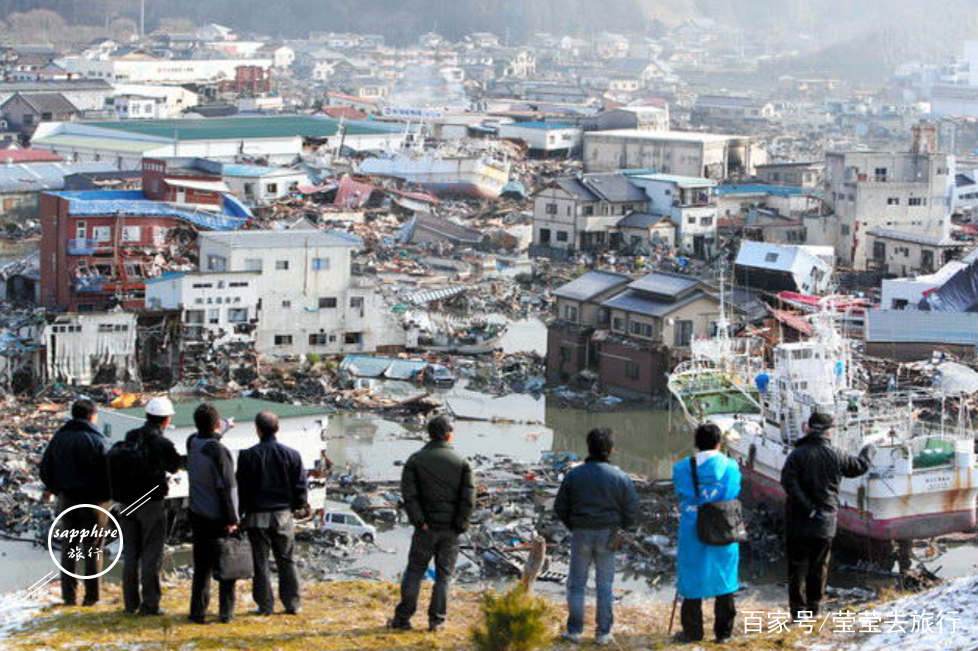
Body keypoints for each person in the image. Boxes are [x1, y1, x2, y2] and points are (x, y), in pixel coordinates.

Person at [780, 412, 874, 620]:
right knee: (819, 566)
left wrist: (806, 507)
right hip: (825, 521)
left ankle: (797, 614)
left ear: (808, 428)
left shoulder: (796, 455)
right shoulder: (836, 453)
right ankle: (814, 609)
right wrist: (869, 449)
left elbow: (788, 483)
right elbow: (859, 466)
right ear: (829, 431)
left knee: (797, 567)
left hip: (798, 520)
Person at [388, 416, 475, 633]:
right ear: (448, 434)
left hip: (425, 529)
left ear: (429, 434)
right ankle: (436, 622)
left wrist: (420, 521)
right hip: (450, 531)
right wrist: (460, 524)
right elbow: (468, 499)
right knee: (444, 576)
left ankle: (403, 618)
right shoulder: (462, 462)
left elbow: (409, 495)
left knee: (415, 571)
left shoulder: (416, 460)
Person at [554, 428, 639, 646]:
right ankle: (603, 633)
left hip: (581, 532)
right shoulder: (620, 476)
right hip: (608, 535)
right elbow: (632, 512)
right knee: (605, 585)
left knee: (576, 585)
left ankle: (574, 631)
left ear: (588, 447)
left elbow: (560, 507)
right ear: (610, 450)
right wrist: (621, 529)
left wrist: (574, 526)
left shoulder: (574, 474)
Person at [672, 423, 741, 643]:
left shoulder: (681, 468)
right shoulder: (731, 467)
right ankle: (724, 634)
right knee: (725, 578)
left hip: (693, 527)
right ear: (719, 442)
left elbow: (681, 493)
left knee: (692, 578)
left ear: (696, 442)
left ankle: (693, 633)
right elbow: (735, 491)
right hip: (724, 525)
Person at [39, 398, 111, 606]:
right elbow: (110, 473)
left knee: (69, 548)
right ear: (92, 416)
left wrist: (59, 491)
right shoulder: (99, 441)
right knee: (93, 548)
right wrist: (106, 495)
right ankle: (92, 597)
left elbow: (45, 470)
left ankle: (68, 597)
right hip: (95, 503)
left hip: (68, 501)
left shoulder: (59, 439)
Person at [236, 410, 308, 616]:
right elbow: (300, 486)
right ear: (277, 428)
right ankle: (292, 604)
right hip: (283, 515)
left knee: (260, 562)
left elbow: (242, 489)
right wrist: (297, 506)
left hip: (256, 516)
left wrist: (240, 514)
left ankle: (265, 605)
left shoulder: (247, 456)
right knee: (286, 559)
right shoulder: (292, 455)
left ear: (257, 430)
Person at [118, 396, 181, 616]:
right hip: (151, 503)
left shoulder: (130, 436)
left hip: (126, 502)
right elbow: (174, 466)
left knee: (130, 554)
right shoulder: (161, 443)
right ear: (165, 420)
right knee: (151, 554)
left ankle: (129, 604)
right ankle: (150, 604)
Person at [187, 403, 239, 624]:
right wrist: (232, 519)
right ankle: (225, 613)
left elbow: (212, 431)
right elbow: (228, 488)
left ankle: (197, 612)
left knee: (201, 569)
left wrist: (227, 424)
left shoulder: (192, 442)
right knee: (226, 568)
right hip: (217, 517)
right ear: (216, 424)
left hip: (196, 514)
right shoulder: (219, 452)